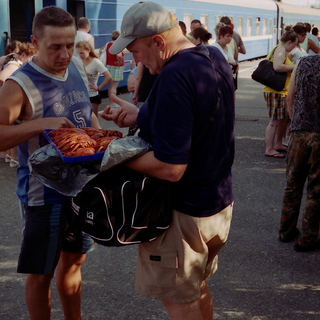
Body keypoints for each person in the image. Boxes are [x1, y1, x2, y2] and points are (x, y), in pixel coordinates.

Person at [101, 2, 234, 319]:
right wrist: (139, 115)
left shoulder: (175, 76)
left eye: (137, 51)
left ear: (158, 42)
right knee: (197, 288)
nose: (136, 60)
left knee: (180, 303)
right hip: (217, 206)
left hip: (183, 215)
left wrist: (114, 156)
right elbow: (195, 117)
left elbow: (170, 168)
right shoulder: (212, 57)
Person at [0, 6, 99, 320]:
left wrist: (99, 133)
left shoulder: (76, 68)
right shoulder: (19, 85)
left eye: (69, 45)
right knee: (41, 272)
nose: (64, 53)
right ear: (35, 41)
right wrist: (40, 124)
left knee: (73, 263)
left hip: (82, 187)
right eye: (55, 46)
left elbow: (86, 112)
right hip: (44, 196)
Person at [279, 55, 320, 252]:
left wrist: (294, 121)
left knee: (292, 184)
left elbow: (289, 96)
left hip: (299, 133)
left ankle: (286, 231)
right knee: (316, 189)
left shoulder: (302, 63)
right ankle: (308, 239)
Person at [0, 42, 38, 168]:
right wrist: (12, 89)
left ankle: (8, 156)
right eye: (30, 58)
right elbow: (2, 77)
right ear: (23, 55)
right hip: (7, 98)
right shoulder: (16, 64)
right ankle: (14, 158)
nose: (31, 62)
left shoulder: (10, 57)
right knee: (14, 126)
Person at [263, 30, 298, 158]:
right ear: (289, 42)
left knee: (282, 119)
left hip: (280, 91)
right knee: (275, 121)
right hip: (275, 91)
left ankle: (278, 144)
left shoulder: (281, 50)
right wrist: (294, 66)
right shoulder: (281, 50)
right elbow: (277, 67)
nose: (293, 48)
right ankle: (269, 148)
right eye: (294, 45)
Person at [76, 40, 112, 116]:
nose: (80, 55)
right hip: (81, 95)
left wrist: (98, 88)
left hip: (92, 95)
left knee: (93, 119)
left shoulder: (95, 62)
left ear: (88, 50)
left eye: (82, 53)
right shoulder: (79, 61)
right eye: (78, 53)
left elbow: (108, 76)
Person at [105, 30, 124, 107]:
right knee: (114, 87)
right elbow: (119, 55)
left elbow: (101, 50)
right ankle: (113, 104)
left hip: (109, 67)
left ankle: (111, 102)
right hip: (116, 68)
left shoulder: (108, 44)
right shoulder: (117, 45)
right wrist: (119, 63)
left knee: (110, 87)